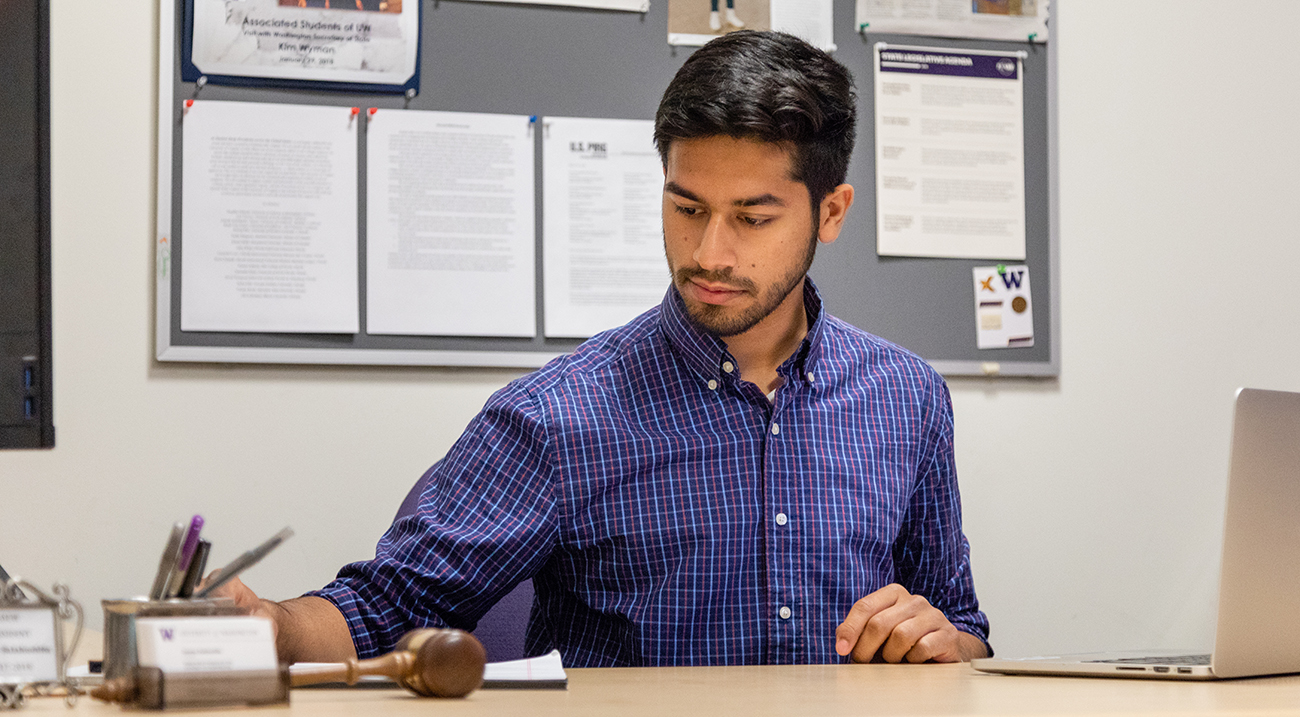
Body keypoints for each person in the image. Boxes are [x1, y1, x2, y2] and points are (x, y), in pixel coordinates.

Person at [217, 30, 991, 667]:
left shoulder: (906, 397)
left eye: (752, 219)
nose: (710, 252)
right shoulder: (559, 415)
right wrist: (270, 625)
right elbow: (391, 605)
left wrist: (945, 640)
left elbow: (962, 626)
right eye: (687, 207)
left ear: (831, 212)